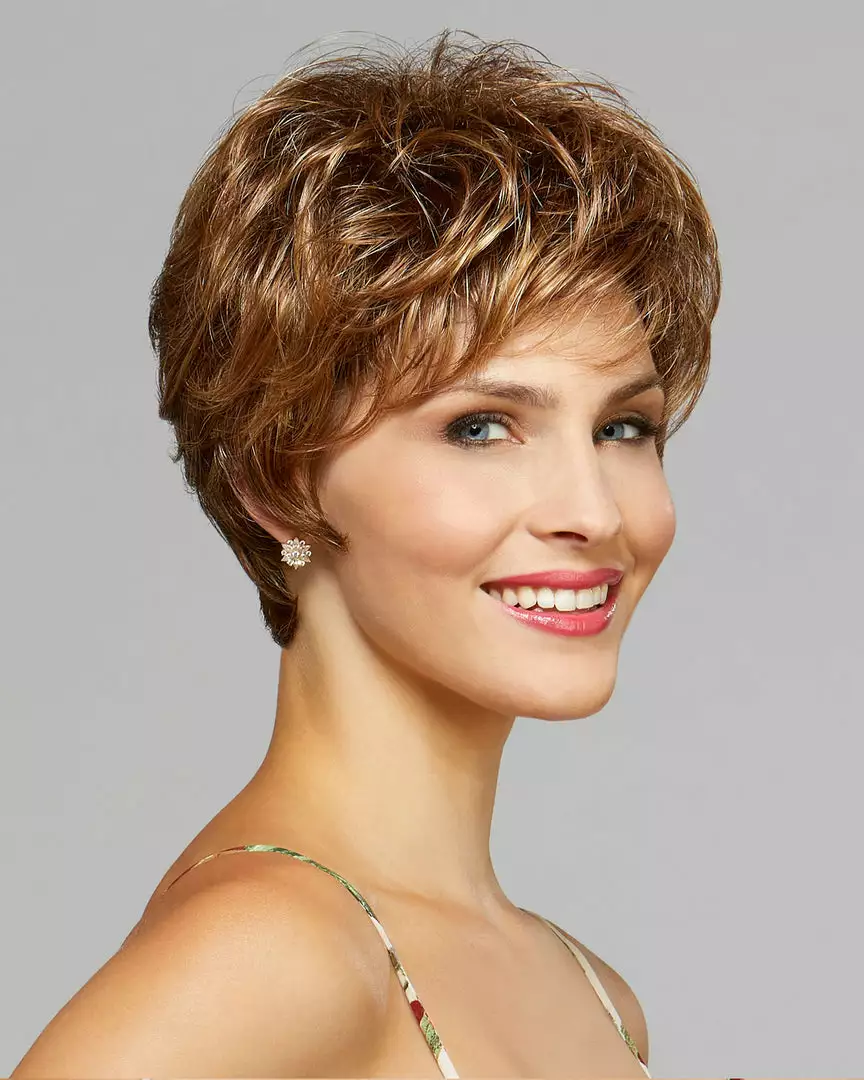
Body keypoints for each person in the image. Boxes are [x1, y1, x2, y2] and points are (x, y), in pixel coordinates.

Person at [12, 30, 720, 1079]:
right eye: (481, 427)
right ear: (278, 480)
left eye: (623, 428)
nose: (595, 511)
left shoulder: (593, 996)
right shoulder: (269, 952)